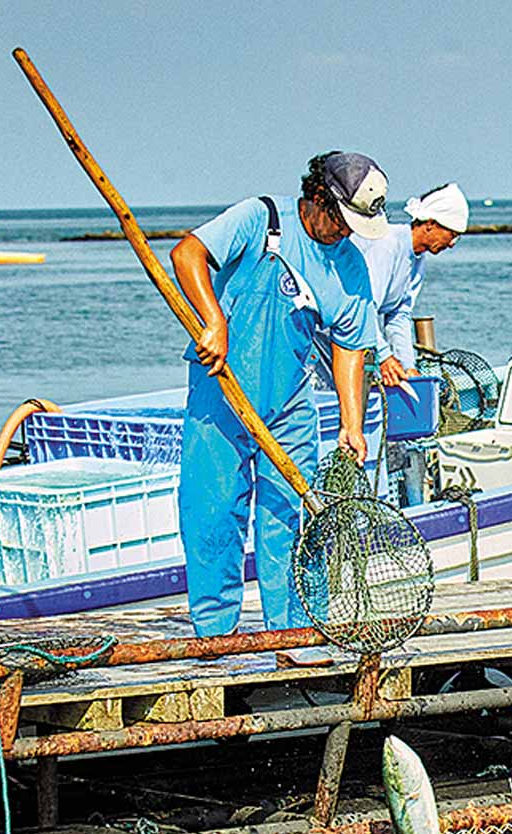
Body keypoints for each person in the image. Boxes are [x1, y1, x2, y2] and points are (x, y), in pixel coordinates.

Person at [170, 152, 388, 637]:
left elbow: (351, 347)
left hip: (289, 405)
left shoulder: (350, 267)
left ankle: (295, 638)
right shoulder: (261, 220)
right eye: (341, 219)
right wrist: (213, 319)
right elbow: (187, 255)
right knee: (213, 518)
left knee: (291, 523)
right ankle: (215, 637)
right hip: (219, 395)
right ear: (317, 198)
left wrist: (352, 425)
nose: (345, 232)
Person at [311, 182, 469, 389]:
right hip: (325, 331)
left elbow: (399, 315)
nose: (452, 244)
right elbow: (362, 311)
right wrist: (385, 357)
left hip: (352, 335)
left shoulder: (418, 259)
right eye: (452, 234)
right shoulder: (387, 244)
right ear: (430, 223)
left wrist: (407, 365)